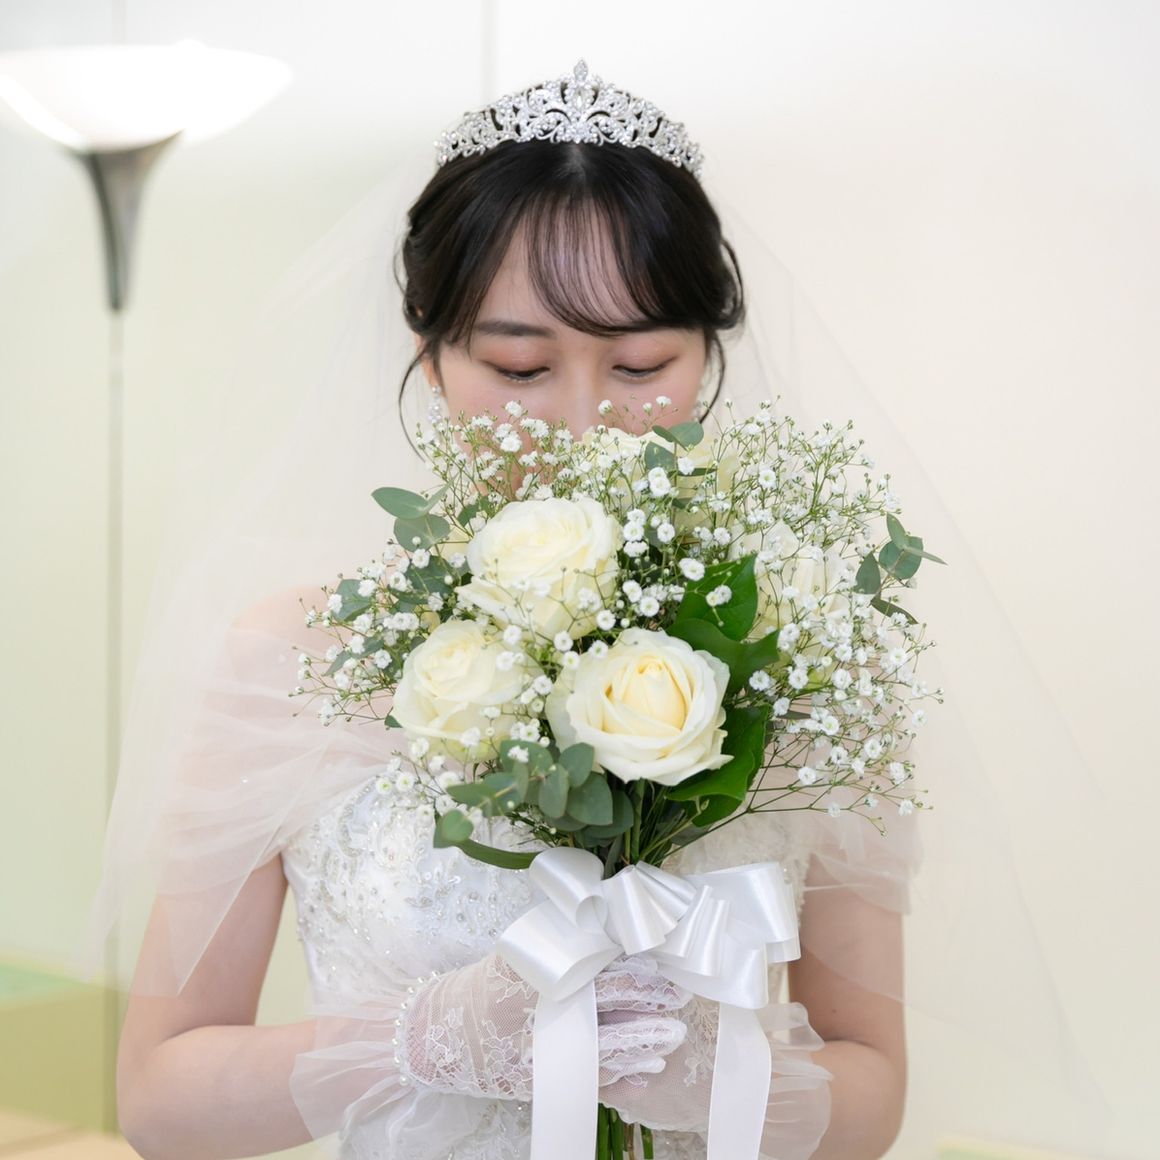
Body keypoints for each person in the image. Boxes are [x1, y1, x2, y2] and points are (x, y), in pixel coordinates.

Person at [75, 60, 1111, 1160]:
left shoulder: (805, 659)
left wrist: (715, 1080)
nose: (583, 424)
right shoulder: (294, 655)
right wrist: (423, 1040)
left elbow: (871, 1091)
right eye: (520, 365)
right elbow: (161, 1104)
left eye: (640, 363)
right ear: (431, 357)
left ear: (707, 356)